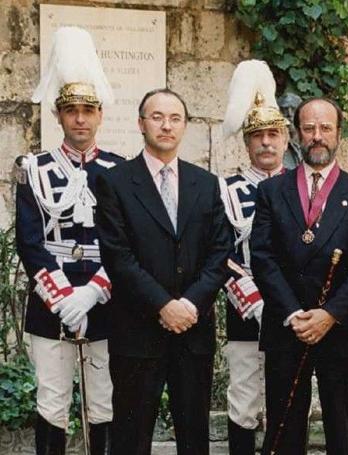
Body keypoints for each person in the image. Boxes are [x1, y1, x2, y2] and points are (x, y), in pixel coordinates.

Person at [94, 88, 232, 455]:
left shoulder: (205, 183)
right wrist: (163, 305)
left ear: (185, 126)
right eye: (157, 117)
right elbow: (117, 256)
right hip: (137, 331)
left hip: (193, 330)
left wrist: (190, 304)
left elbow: (220, 251)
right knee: (130, 437)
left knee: (194, 437)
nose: (166, 126)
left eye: (175, 119)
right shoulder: (115, 182)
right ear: (140, 123)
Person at [251, 97, 348, 454]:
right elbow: (262, 258)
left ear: (339, 134)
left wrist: (329, 315)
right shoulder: (270, 191)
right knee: (283, 430)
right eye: (309, 128)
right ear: (297, 134)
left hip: (342, 329)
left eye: (325, 128)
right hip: (286, 326)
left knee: (344, 432)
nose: (317, 136)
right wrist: (294, 313)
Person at [16, 26, 122, 455]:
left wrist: (93, 294)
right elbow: (29, 240)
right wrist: (63, 299)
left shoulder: (120, 169)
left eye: (88, 110)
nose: (81, 118)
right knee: (52, 401)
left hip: (106, 298)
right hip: (50, 299)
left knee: (103, 401)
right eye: (72, 110)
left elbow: (126, 244)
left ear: (100, 115)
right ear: (59, 115)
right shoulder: (34, 168)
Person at [219, 59, 290, 454]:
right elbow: (221, 253)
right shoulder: (225, 190)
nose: (266, 142)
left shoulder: (302, 187)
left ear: (284, 139)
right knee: (244, 400)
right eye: (257, 135)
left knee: (288, 399)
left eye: (273, 134)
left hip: (292, 309)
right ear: (247, 142)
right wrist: (254, 302)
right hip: (247, 311)